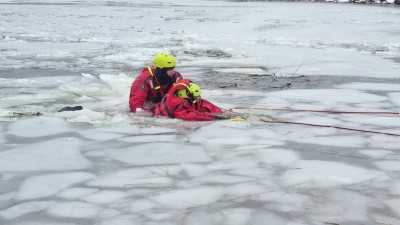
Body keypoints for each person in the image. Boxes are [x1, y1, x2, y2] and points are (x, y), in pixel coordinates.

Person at [153, 79, 232, 121]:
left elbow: (206, 105)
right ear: (187, 94)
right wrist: (215, 118)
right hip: (157, 117)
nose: (199, 98)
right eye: (196, 96)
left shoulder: (192, 99)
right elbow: (193, 116)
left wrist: (222, 113)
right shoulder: (180, 104)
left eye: (199, 95)